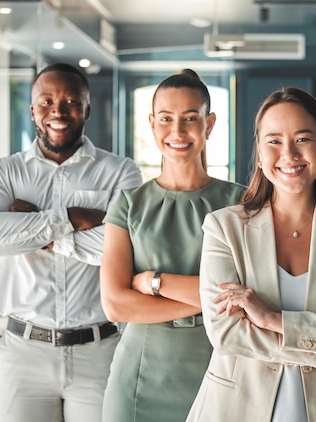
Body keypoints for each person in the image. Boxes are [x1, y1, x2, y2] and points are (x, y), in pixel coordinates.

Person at [186, 86, 316, 422]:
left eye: (302, 139)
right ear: (259, 153)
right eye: (274, 141)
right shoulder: (224, 229)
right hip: (234, 410)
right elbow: (225, 333)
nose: (289, 154)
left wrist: (271, 320)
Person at [0, 63, 142, 422]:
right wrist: (71, 218)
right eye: (47, 101)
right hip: (23, 352)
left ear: (86, 109)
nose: (58, 110)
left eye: (70, 101)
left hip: (100, 351)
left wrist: (34, 230)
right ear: (33, 109)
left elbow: (123, 249)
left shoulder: (121, 171)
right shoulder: (4, 172)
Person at [100, 69, 245, 422]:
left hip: (221, 372)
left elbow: (252, 296)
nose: (177, 132)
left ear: (209, 124)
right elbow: (116, 305)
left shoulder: (241, 202)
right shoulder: (128, 203)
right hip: (140, 379)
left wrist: (155, 283)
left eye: (190, 118)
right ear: (152, 124)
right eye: (166, 119)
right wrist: (209, 303)